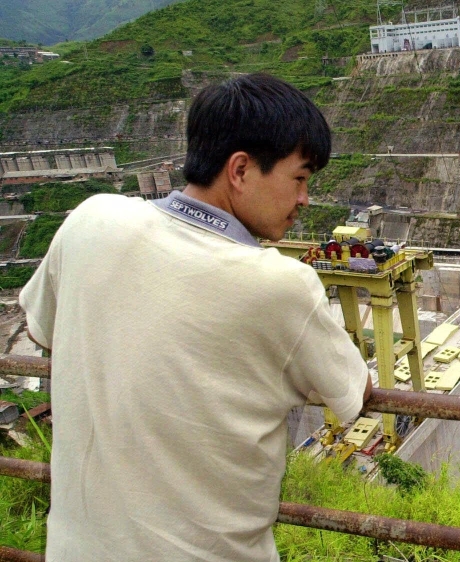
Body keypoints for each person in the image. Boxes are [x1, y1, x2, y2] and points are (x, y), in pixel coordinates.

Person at [19, 73, 372, 562]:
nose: (305, 199)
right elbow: (351, 392)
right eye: (300, 177)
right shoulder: (281, 284)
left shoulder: (90, 219)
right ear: (241, 170)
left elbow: (47, 330)